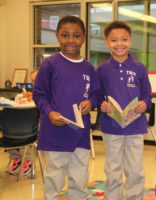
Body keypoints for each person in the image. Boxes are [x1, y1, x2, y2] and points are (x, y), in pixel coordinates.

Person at [33, 16, 100, 200]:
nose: (71, 40)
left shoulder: (88, 67)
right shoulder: (50, 64)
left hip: (80, 133)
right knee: (54, 179)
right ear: (57, 36)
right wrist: (49, 112)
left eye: (76, 36)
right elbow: (39, 94)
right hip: (55, 132)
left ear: (84, 38)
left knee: (79, 180)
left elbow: (96, 93)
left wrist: (91, 103)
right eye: (65, 35)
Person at [96, 21, 152, 200]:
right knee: (113, 169)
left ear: (130, 40)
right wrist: (100, 104)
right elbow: (96, 94)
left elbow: (147, 95)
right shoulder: (102, 69)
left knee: (134, 169)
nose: (119, 44)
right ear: (106, 42)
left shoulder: (139, 68)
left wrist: (144, 103)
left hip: (135, 127)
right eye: (114, 40)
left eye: (124, 39)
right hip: (111, 127)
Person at [6, 68, 40, 176]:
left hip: (36, 127)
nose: (35, 84)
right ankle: (15, 158)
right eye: (33, 81)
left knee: (27, 136)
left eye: (37, 80)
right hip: (23, 125)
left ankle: (28, 160)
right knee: (12, 131)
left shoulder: (48, 93)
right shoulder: (32, 93)